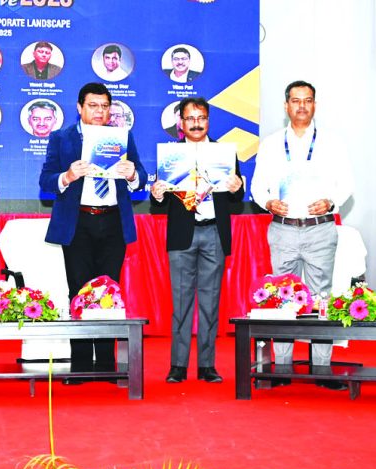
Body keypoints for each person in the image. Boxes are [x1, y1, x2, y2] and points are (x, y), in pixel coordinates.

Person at [39, 82, 146, 382]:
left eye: (104, 106)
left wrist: (133, 175)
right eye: (93, 106)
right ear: (79, 107)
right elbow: (45, 181)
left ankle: (108, 364)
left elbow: (141, 174)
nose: (99, 111)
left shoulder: (122, 136)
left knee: (109, 292)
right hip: (78, 223)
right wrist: (67, 176)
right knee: (79, 291)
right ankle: (82, 364)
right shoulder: (62, 138)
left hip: (113, 222)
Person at [252, 80, 353, 391]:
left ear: (314, 105)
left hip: (320, 228)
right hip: (283, 228)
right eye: (296, 101)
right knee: (281, 295)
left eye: (307, 100)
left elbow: (346, 183)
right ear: (286, 106)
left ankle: (321, 368)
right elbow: (257, 185)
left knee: (321, 297)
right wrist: (267, 202)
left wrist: (332, 201)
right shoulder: (271, 144)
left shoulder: (332, 143)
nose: (302, 106)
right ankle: (281, 367)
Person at [150, 97, 243, 384]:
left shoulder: (224, 153)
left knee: (210, 303)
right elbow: (159, 204)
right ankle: (178, 365)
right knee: (181, 304)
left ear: (208, 120)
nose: (196, 123)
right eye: (190, 118)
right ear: (181, 123)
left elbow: (237, 198)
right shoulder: (171, 155)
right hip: (182, 235)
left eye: (201, 117)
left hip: (214, 232)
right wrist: (157, 194)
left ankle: (207, 365)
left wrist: (237, 187)